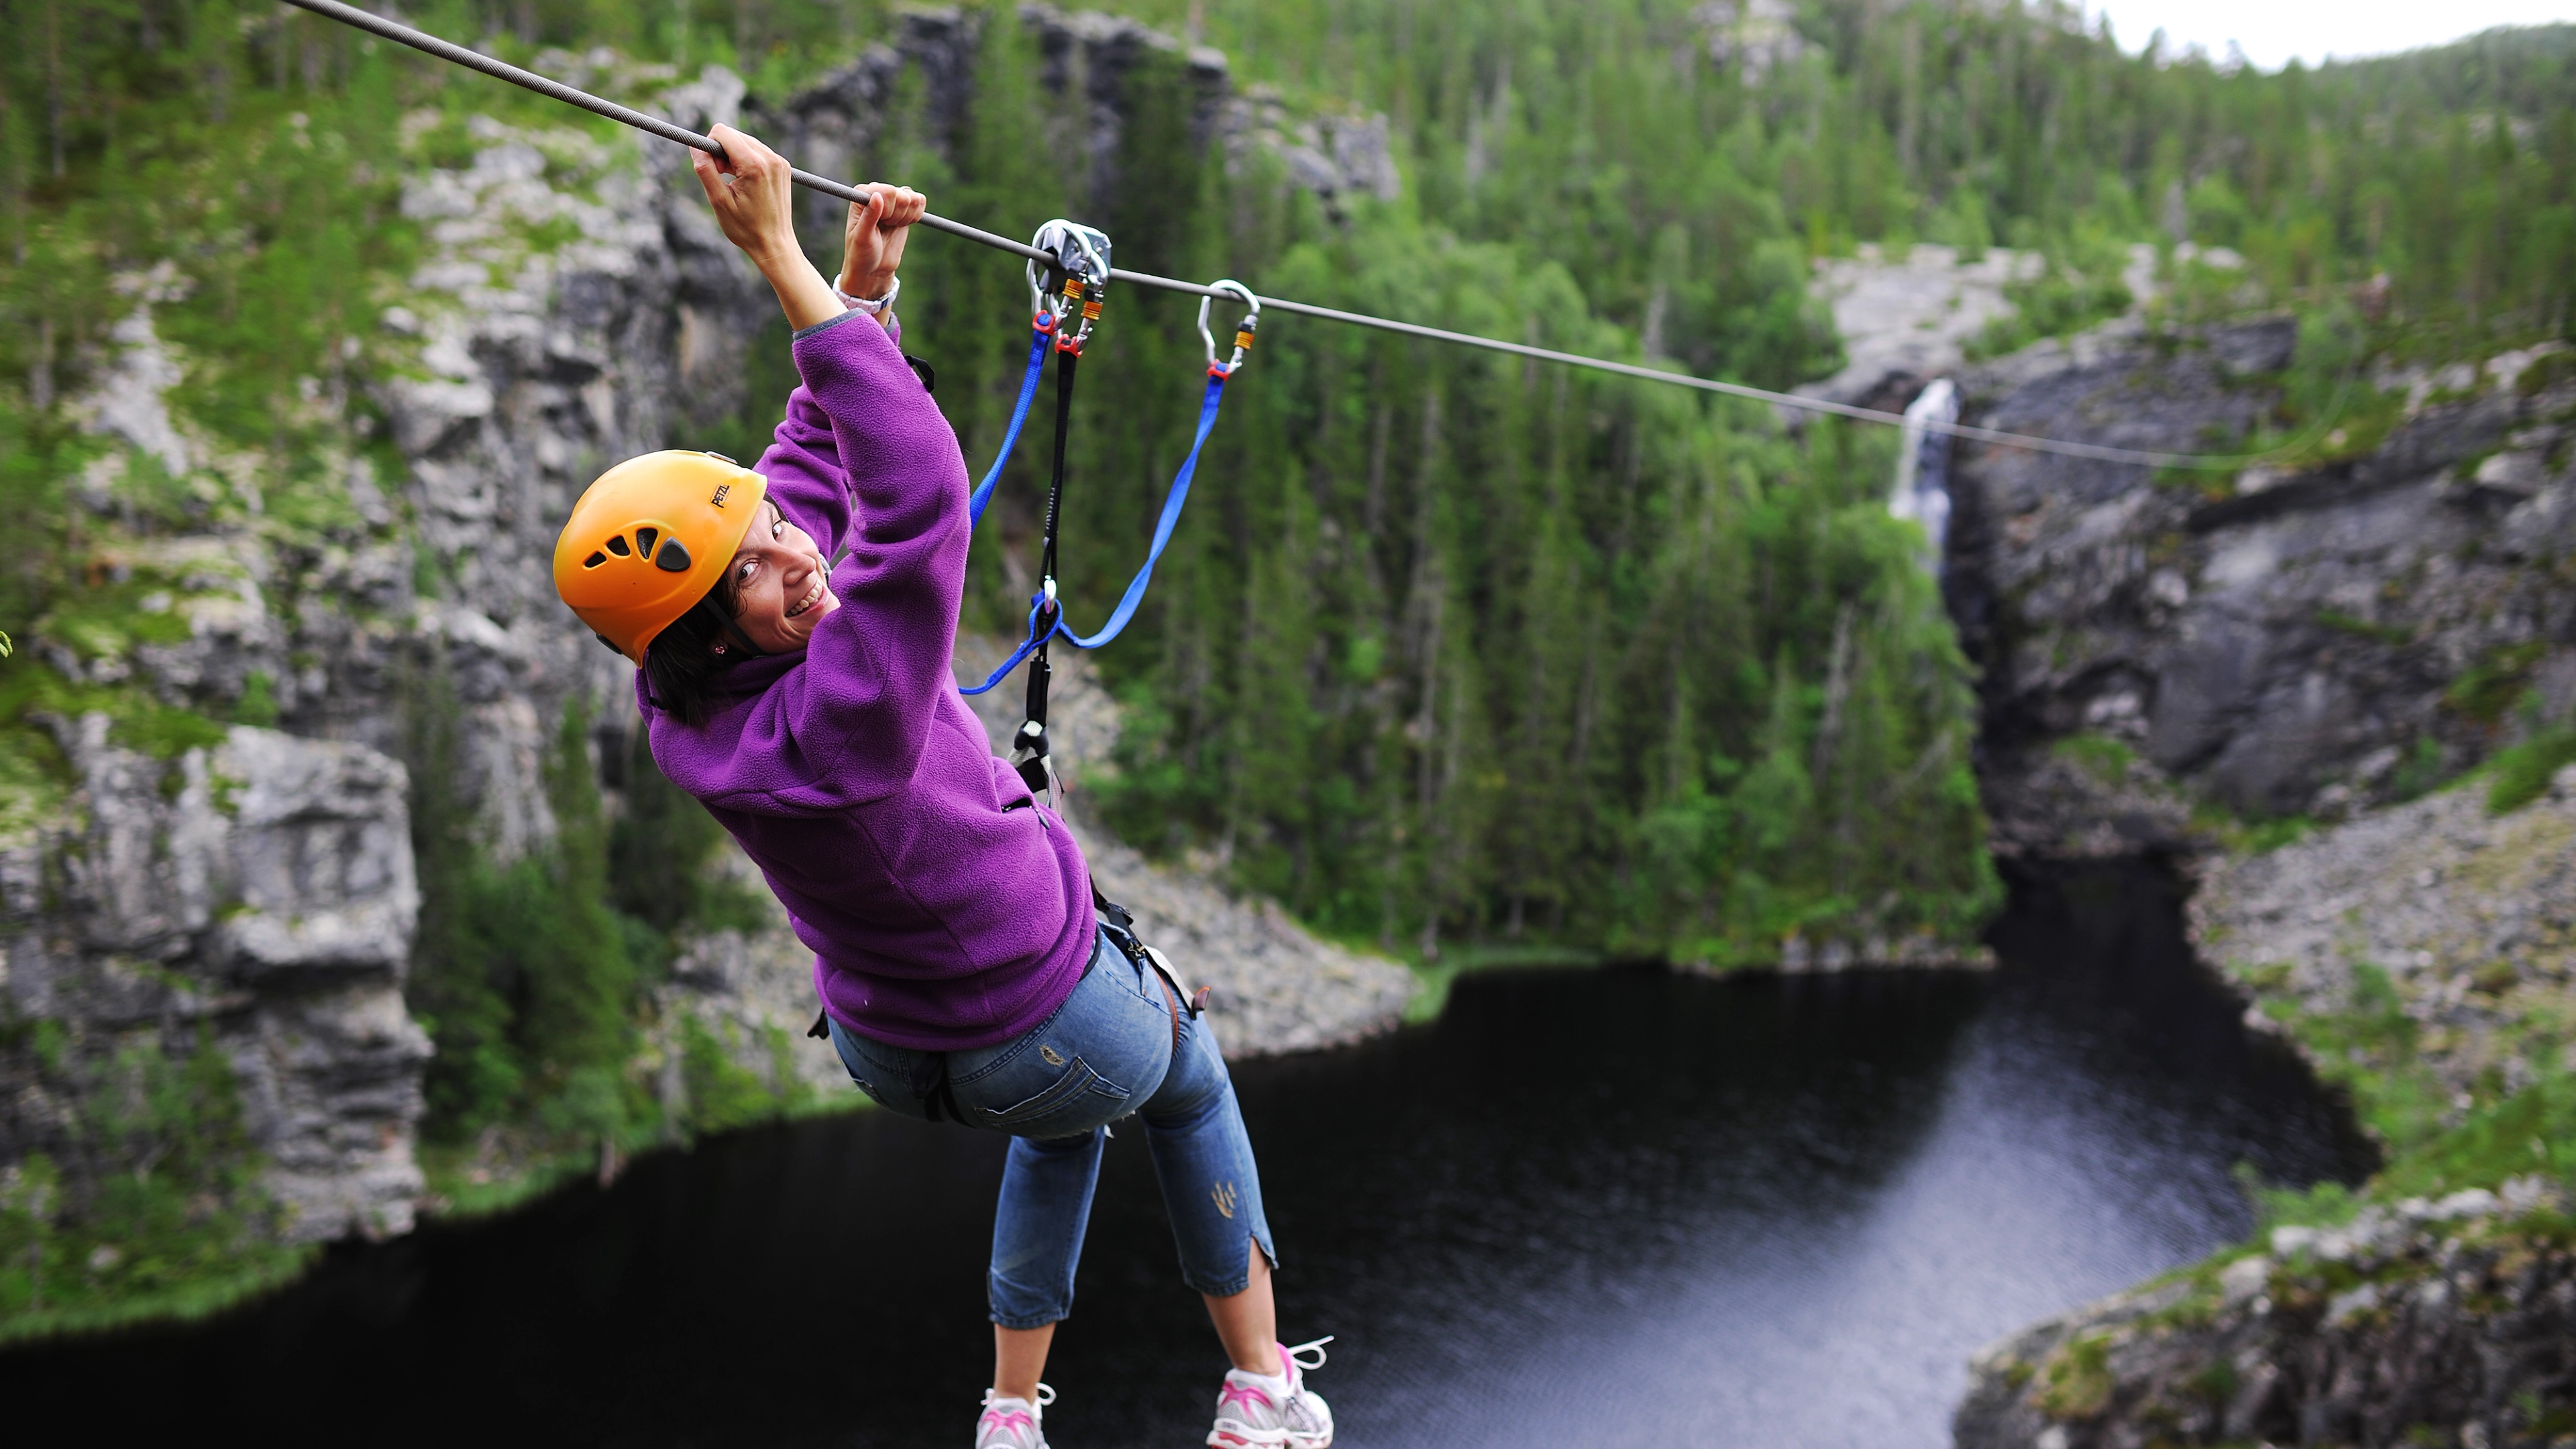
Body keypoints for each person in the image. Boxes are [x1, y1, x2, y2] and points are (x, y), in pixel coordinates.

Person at [548, 125, 1333, 1449]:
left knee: (1066, 1122)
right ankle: (1261, 1389)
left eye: (771, 531)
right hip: (1033, 1025)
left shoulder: (689, 702)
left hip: (893, 1040)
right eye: (754, 572)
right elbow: (914, 504)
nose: (797, 557)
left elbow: (808, 473)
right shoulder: (842, 709)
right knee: (1188, 1071)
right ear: (706, 633)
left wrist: (859, 298)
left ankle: (1011, 1415)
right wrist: (780, 259)